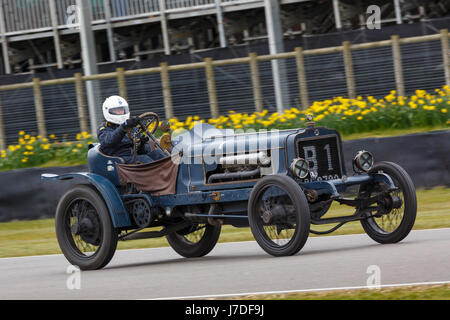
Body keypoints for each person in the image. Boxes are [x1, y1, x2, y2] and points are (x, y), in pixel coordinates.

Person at [97, 95, 166, 164]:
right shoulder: (104, 128)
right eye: (117, 110)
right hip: (119, 159)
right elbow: (109, 141)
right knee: (145, 159)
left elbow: (143, 151)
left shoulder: (132, 127)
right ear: (108, 111)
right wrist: (123, 127)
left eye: (122, 110)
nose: (121, 113)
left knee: (157, 154)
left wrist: (142, 143)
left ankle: (173, 171)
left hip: (134, 156)